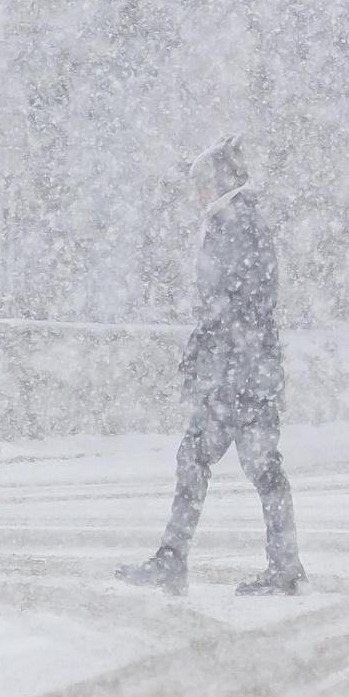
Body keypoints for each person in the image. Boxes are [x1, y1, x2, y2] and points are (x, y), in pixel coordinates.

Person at [120, 137, 304, 595]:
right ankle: (282, 565)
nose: (197, 195)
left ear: (219, 182)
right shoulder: (242, 221)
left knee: (204, 461)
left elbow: (231, 303)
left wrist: (210, 356)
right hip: (249, 370)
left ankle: (176, 560)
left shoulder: (232, 224)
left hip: (234, 374)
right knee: (257, 468)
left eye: (201, 185)